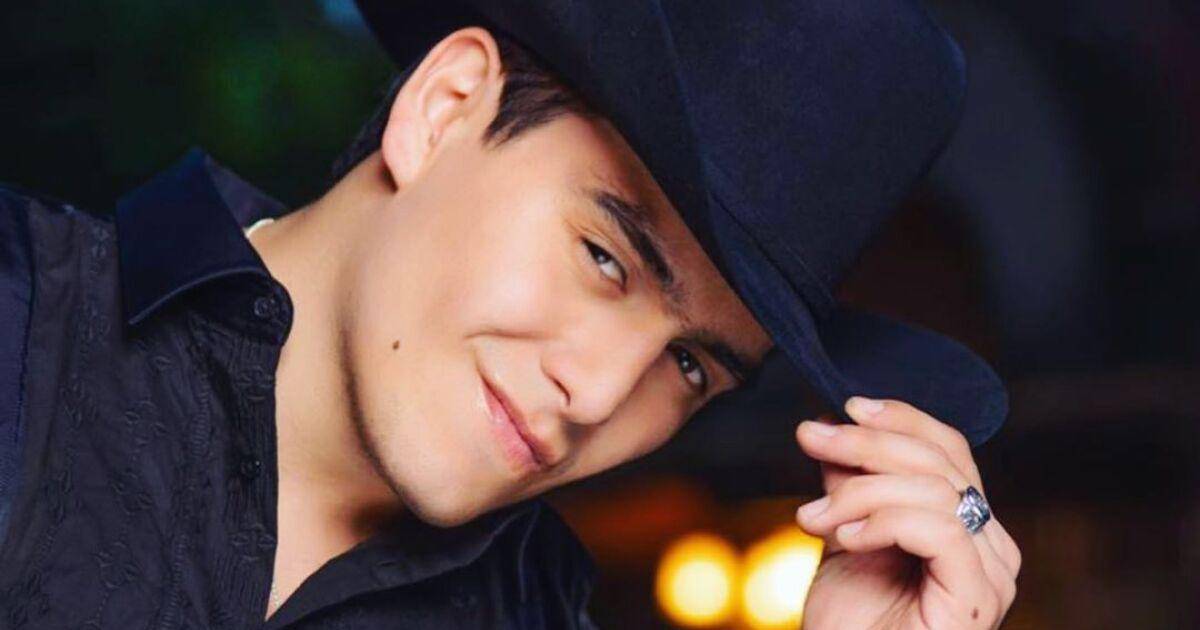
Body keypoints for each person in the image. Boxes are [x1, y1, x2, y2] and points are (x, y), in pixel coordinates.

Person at [0, 1, 1020, 628]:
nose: (601, 393)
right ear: (445, 108)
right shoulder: (26, 319)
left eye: (691, 367)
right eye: (605, 258)